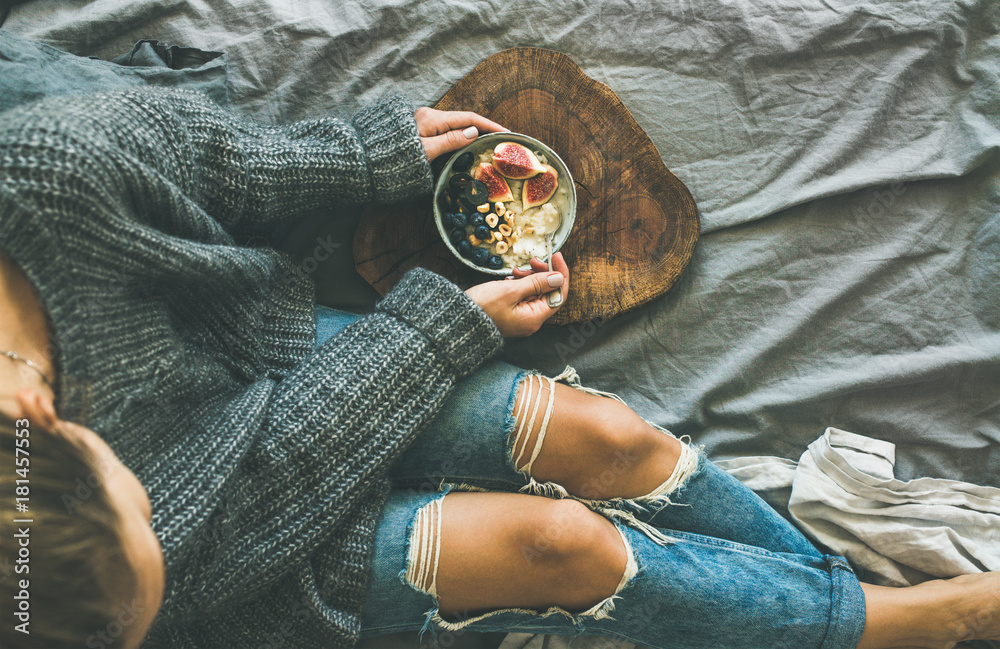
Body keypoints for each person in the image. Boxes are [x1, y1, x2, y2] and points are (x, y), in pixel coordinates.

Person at [0, 86, 997, 649]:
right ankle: (879, 621)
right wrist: (436, 334)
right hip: (242, 585)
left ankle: (821, 600)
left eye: (134, 508)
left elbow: (218, 160)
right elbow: (247, 505)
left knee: (605, 434)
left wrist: (360, 150)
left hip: (255, 362)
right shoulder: (50, 596)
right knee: (564, 546)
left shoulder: (56, 173)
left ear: (34, 413)